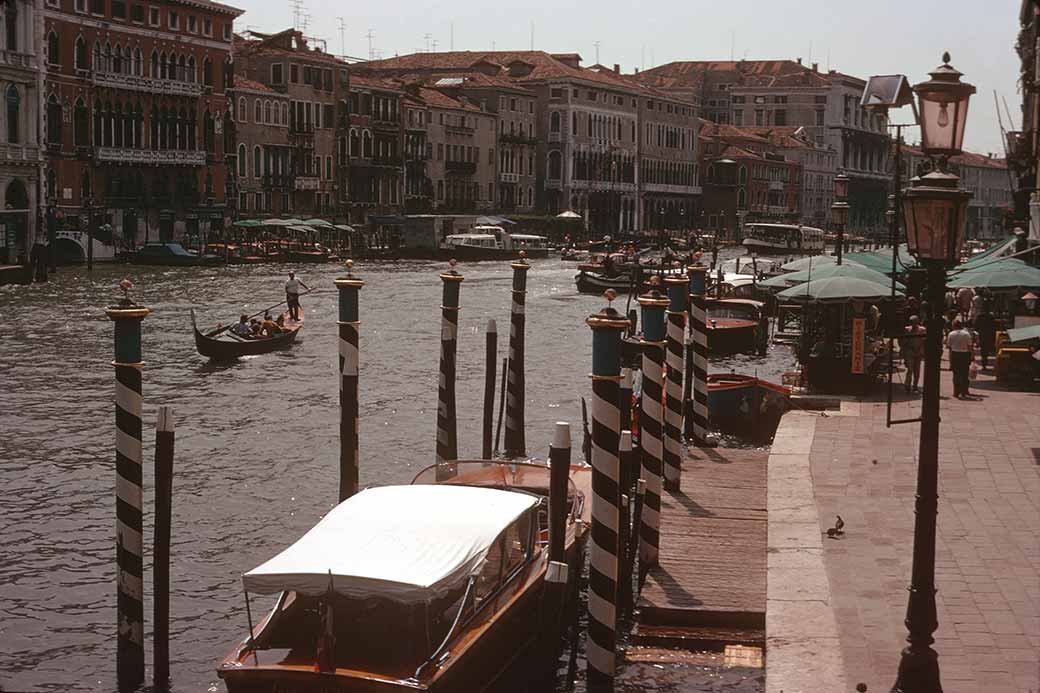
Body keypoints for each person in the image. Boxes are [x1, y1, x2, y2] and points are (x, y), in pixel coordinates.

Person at [946, 319, 974, 399]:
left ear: (954, 325)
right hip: (965, 355)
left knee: (956, 374)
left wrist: (950, 360)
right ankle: (964, 391)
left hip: (955, 354)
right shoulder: (966, 334)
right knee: (964, 374)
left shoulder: (951, 334)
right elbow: (970, 346)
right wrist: (972, 356)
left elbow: (950, 348)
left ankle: (956, 391)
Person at [901, 315, 926, 393]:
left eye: (915, 322)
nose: (913, 324)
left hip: (918, 352)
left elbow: (924, 342)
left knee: (917, 370)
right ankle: (907, 385)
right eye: (912, 322)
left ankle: (915, 386)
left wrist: (922, 351)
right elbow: (904, 342)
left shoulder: (922, 330)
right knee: (910, 369)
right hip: (909, 351)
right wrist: (903, 352)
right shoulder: (907, 329)